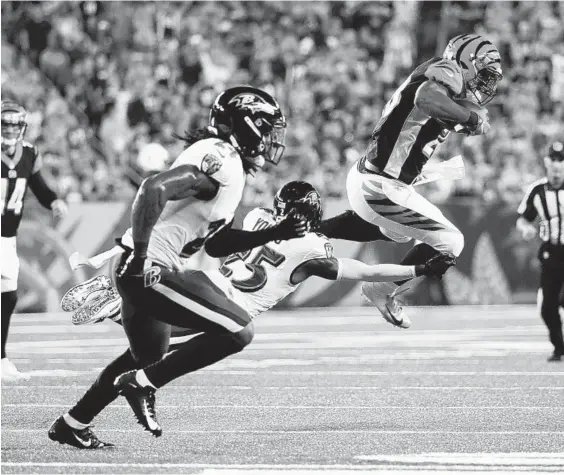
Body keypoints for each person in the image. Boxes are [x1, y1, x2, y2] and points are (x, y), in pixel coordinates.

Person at [52, 180, 453, 447]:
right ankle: (122, 314)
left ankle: (73, 422)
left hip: (205, 286)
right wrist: (416, 269)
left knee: (140, 355)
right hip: (220, 309)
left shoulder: (260, 218)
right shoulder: (311, 251)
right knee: (175, 354)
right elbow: (363, 270)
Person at [48, 85, 310, 449]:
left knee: (146, 356)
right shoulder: (222, 159)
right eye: (265, 129)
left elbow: (216, 244)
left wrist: (279, 231)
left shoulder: (227, 163)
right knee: (238, 331)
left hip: (142, 266)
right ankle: (142, 384)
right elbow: (153, 188)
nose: (269, 140)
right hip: (150, 268)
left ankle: (72, 423)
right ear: (244, 125)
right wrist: (142, 259)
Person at [316, 33, 503, 328]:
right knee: (451, 242)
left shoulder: (446, 83)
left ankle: (311, 230)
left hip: (371, 180)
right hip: (380, 187)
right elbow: (426, 98)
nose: (485, 85)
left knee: (399, 232)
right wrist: (469, 120)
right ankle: (381, 290)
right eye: (484, 74)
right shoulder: (447, 69)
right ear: (468, 61)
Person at [1, 100, 68, 382]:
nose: (10, 130)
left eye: (15, 125)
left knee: (9, 292)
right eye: (6, 124)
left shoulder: (29, 153)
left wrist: (53, 201)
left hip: (7, 234)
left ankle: (1, 357)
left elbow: (37, 185)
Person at [516, 141, 564, 362]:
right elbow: (523, 219)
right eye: (553, 159)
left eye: (561, 159)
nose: (557, 164)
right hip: (550, 253)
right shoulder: (537, 190)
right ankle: (558, 345)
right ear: (546, 162)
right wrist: (526, 229)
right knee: (547, 307)